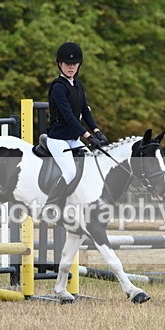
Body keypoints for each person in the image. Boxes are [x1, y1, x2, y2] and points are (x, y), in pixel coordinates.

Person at [43, 41, 108, 217]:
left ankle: (85, 206)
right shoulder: (58, 87)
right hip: (58, 139)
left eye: (74, 64)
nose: (71, 67)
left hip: (73, 139)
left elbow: (85, 111)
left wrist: (97, 131)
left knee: (92, 166)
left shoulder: (78, 85)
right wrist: (87, 136)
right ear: (60, 64)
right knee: (70, 171)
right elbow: (69, 117)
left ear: (79, 65)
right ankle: (51, 205)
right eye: (67, 64)